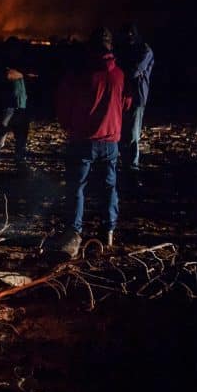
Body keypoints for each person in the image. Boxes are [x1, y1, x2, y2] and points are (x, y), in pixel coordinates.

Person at [52, 27, 131, 257]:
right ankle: (109, 231)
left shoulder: (80, 75)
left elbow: (64, 103)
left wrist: (68, 126)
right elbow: (126, 104)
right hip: (110, 141)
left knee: (77, 187)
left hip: (83, 140)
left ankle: (74, 232)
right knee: (109, 187)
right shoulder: (119, 75)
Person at [0, 37, 38, 170]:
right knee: (0, 137)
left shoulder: (18, 64)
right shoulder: (2, 62)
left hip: (21, 106)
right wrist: (25, 74)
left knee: (21, 137)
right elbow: (8, 75)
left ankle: (19, 164)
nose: (17, 51)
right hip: (8, 106)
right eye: (15, 48)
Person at [115, 23, 154, 174]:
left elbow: (134, 71)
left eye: (131, 35)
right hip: (124, 96)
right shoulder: (129, 50)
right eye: (127, 35)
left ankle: (132, 169)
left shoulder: (145, 50)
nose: (129, 38)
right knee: (123, 133)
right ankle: (127, 166)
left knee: (132, 135)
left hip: (136, 97)